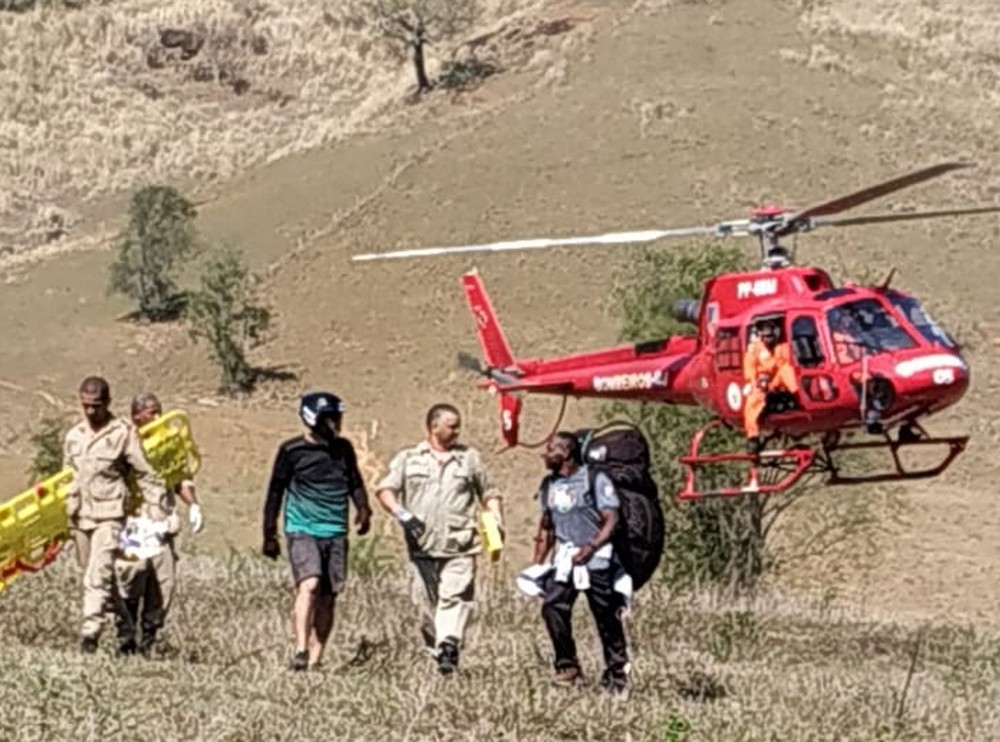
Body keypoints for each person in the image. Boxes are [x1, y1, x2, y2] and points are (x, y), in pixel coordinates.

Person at [374, 402, 504, 675]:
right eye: (451, 426)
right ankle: (439, 655)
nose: (457, 431)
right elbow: (386, 490)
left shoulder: (469, 459)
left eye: (458, 426)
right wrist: (402, 514)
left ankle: (448, 646)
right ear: (434, 426)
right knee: (424, 608)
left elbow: (489, 493)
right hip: (422, 548)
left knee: (454, 597)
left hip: (461, 545)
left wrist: (495, 521)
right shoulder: (409, 458)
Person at [262, 391, 372, 671]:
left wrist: (363, 509)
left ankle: (315, 659)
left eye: (337, 418)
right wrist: (269, 534)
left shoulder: (343, 449)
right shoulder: (291, 451)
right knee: (309, 583)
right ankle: (300, 648)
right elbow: (275, 491)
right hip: (302, 528)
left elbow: (355, 482)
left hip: (335, 530)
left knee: (328, 595)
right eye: (329, 418)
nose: (335, 424)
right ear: (312, 419)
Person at [63, 376, 169, 654]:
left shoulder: (122, 433)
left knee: (97, 575)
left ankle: (90, 636)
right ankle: (126, 633)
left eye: (96, 405)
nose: (90, 411)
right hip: (81, 517)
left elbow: (146, 474)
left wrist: (157, 508)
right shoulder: (74, 436)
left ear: (108, 402)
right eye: (85, 405)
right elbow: (66, 478)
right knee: (103, 580)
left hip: (109, 515)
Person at [531, 431, 631, 697]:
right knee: (552, 606)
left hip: (596, 560)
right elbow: (547, 527)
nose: (545, 454)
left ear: (566, 452)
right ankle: (567, 665)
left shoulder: (594, 479)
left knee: (605, 615)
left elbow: (611, 519)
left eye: (551, 449)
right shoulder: (549, 485)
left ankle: (617, 672)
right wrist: (537, 566)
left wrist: (591, 547)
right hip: (567, 560)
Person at [113, 392, 205, 656]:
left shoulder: (168, 445)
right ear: (137, 416)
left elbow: (180, 478)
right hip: (134, 523)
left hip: (162, 524)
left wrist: (193, 505)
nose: (158, 417)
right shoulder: (125, 443)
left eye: (159, 411)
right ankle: (127, 636)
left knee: (164, 585)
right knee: (133, 576)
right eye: (151, 412)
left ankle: (148, 639)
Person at [742, 319, 799, 455]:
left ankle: (798, 397)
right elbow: (750, 370)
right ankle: (753, 438)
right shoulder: (754, 350)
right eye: (764, 336)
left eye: (770, 335)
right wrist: (755, 382)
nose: (767, 339)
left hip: (777, 382)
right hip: (761, 384)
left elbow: (785, 364)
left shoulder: (783, 348)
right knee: (752, 402)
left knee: (787, 370)